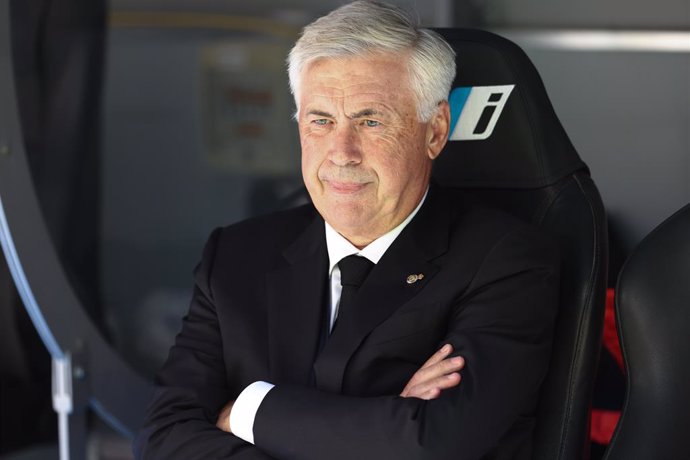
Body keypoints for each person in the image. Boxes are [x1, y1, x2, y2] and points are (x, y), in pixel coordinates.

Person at [134, 1, 559, 459]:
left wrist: (248, 411)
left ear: (435, 132)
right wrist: (380, 423)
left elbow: (430, 443)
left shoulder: (506, 261)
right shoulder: (237, 255)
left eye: (370, 121)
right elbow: (163, 440)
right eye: (321, 121)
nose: (342, 152)